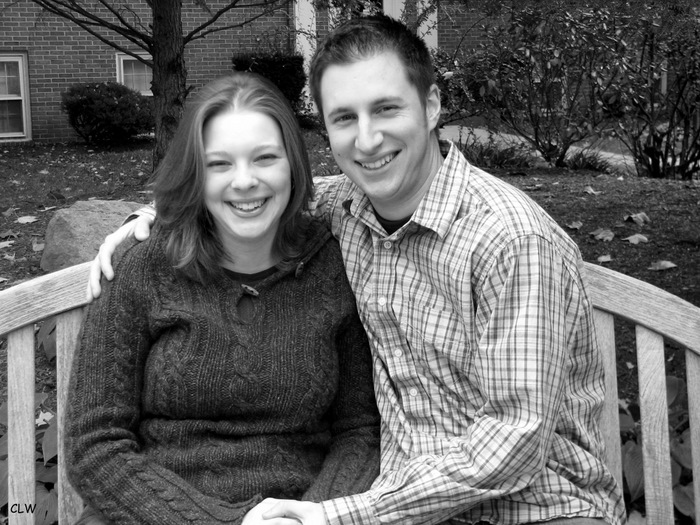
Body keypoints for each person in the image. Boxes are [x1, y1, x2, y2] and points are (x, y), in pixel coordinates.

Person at [88, 15, 626, 525]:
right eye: (345, 118)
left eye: (386, 109)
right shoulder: (347, 207)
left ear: (431, 105)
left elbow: (515, 441)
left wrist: (339, 515)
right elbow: (253, 193)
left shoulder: (511, 241)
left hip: (536, 508)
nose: (367, 140)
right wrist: (152, 218)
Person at [66, 72, 380, 525]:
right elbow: (95, 444)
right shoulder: (143, 268)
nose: (245, 181)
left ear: (293, 164)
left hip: (298, 509)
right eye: (219, 164)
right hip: (155, 513)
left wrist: (316, 514)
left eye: (265, 158)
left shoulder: (331, 265)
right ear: (195, 174)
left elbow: (361, 431)